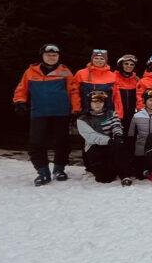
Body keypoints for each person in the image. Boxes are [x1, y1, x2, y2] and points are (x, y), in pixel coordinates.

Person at [13, 43, 81, 185]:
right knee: (36, 143)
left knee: (62, 142)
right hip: (39, 113)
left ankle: (59, 169)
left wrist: (76, 109)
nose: (51, 58)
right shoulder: (31, 71)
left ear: (58, 57)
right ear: (42, 56)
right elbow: (21, 88)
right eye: (48, 55)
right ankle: (43, 172)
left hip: (61, 113)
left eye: (54, 55)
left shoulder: (64, 72)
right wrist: (20, 101)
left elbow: (74, 91)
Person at [76, 91, 132, 185]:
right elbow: (90, 136)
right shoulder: (82, 119)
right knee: (105, 178)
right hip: (95, 147)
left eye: (100, 102)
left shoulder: (111, 113)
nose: (98, 104)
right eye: (95, 102)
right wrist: (108, 140)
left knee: (121, 146)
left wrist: (118, 135)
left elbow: (116, 125)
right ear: (90, 103)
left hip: (112, 144)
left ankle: (125, 175)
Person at [129, 89, 152, 178]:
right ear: (145, 101)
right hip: (141, 150)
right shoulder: (137, 116)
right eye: (151, 100)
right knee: (140, 175)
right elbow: (131, 134)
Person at [112, 54, 140, 132]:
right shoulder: (112, 77)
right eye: (126, 64)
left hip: (132, 116)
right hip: (116, 115)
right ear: (121, 65)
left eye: (132, 64)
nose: (129, 66)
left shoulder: (137, 80)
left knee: (130, 138)